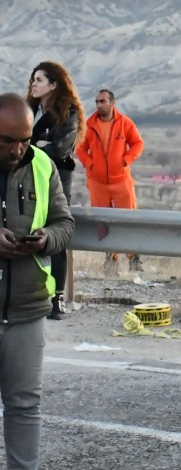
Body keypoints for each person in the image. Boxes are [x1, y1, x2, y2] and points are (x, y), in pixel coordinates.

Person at [0, 93, 74, 470]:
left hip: (27, 307)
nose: (18, 149)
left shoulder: (43, 166)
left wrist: (45, 238)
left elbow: (66, 225)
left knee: (25, 404)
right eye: (9, 141)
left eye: (25, 140)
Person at [27, 62, 84, 320]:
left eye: (39, 79)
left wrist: (33, 147)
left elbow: (60, 149)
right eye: (33, 79)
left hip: (56, 180)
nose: (34, 83)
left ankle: (57, 297)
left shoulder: (68, 112)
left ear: (53, 84)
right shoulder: (28, 110)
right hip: (27, 179)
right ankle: (30, 293)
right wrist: (39, 144)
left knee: (56, 235)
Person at [76, 89, 145, 274]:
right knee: (102, 222)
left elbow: (138, 143)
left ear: (112, 103)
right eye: (97, 101)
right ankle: (110, 261)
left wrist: (126, 160)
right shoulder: (88, 125)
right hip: (97, 182)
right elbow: (80, 148)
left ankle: (134, 260)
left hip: (121, 180)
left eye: (102, 101)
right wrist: (90, 164)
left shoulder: (124, 123)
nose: (99, 105)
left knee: (128, 220)